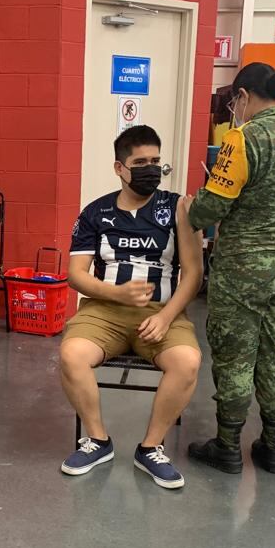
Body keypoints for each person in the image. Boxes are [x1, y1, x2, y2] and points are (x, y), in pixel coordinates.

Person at [186, 63, 275, 476]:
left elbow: (210, 209)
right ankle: (273, 448)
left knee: (235, 356)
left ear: (244, 95)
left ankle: (227, 447)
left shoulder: (244, 138)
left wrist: (192, 207)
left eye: (234, 101)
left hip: (244, 268)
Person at [60, 125, 203, 490]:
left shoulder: (178, 208)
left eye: (155, 161)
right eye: (140, 163)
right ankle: (98, 440)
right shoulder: (95, 212)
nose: (150, 169)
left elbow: (193, 274)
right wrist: (117, 294)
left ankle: (151, 448)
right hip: (104, 310)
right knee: (72, 354)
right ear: (119, 168)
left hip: (162, 312)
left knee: (187, 361)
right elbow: (76, 275)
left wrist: (166, 316)